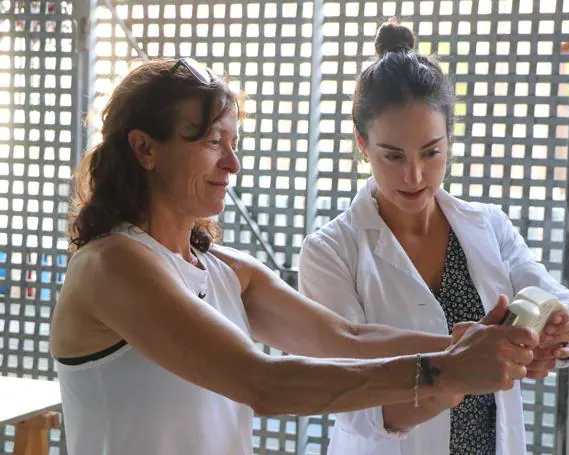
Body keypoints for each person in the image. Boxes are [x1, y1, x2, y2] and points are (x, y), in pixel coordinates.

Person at [49, 57, 539, 455]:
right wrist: (446, 369)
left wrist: (469, 345)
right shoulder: (111, 264)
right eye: (212, 143)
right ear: (144, 149)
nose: (232, 163)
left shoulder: (225, 271)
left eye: (233, 144)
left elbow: (344, 337)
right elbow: (261, 384)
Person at [298, 21, 569, 455]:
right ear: (362, 144)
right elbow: (352, 405)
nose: (414, 176)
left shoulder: (488, 226)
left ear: (450, 139)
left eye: (431, 152)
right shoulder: (331, 252)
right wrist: (456, 374)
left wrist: (564, 332)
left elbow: (565, 307)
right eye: (392, 155)